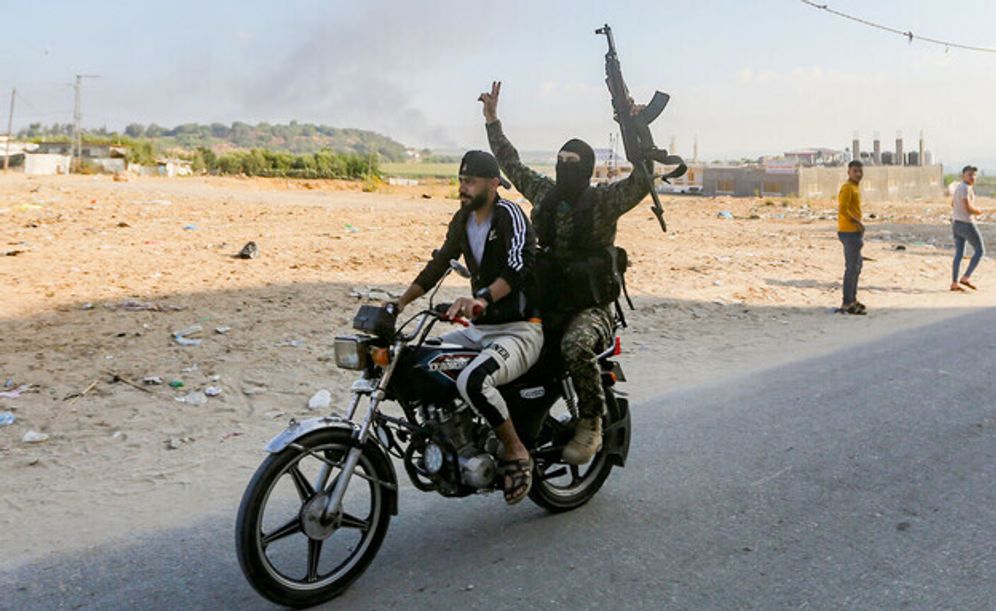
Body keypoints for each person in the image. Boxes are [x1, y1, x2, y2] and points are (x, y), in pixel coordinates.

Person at [479, 81, 648, 465]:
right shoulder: (545, 193)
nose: (565, 167)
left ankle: (591, 420)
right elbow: (512, 164)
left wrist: (636, 127)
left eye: (573, 162)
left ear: (587, 167)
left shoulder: (606, 201)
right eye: (561, 161)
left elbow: (642, 180)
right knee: (492, 336)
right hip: (548, 297)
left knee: (575, 346)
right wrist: (492, 121)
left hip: (590, 306)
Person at [395, 150, 542, 505]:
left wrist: (482, 300)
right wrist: (396, 304)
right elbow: (439, 265)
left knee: (472, 380)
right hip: (480, 330)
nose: (463, 187)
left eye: (471, 180)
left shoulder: (510, 216)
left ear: (493, 184)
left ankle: (516, 451)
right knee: (418, 359)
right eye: (461, 179)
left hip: (519, 330)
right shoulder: (462, 220)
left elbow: (518, 267)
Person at [837, 160, 866, 314]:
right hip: (849, 232)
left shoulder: (855, 188)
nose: (858, 174)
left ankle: (852, 299)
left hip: (854, 231)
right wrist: (858, 222)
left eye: (860, 171)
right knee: (851, 268)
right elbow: (843, 209)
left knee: (856, 267)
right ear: (849, 172)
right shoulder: (847, 188)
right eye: (855, 171)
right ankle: (847, 302)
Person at [950, 165, 985, 292]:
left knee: (959, 254)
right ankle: (965, 277)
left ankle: (954, 283)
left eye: (974, 175)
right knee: (980, 251)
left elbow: (953, 204)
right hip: (966, 223)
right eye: (970, 175)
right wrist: (978, 211)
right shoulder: (965, 188)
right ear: (963, 175)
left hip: (956, 223)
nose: (972, 177)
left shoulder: (959, 187)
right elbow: (968, 208)